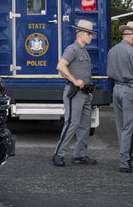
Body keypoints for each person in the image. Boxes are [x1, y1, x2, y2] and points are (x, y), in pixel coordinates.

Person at [51, 19, 98, 167]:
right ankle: (58, 154)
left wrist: (87, 91)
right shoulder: (73, 49)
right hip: (75, 93)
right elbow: (61, 66)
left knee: (85, 125)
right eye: (90, 34)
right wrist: (74, 80)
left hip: (84, 94)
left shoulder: (83, 51)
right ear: (81, 34)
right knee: (72, 123)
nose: (92, 37)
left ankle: (80, 155)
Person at [107, 21, 133, 174]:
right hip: (130, 90)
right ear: (132, 35)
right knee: (130, 127)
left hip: (117, 88)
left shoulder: (112, 51)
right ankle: (126, 161)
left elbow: (110, 74)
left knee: (122, 126)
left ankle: (127, 156)